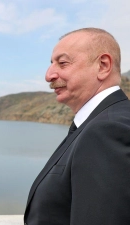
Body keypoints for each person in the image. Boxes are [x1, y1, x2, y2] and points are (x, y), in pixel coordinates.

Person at [24, 27, 130, 224]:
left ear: (103, 66)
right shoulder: (103, 122)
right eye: (51, 64)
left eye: (62, 63)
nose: (49, 75)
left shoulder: (107, 131)